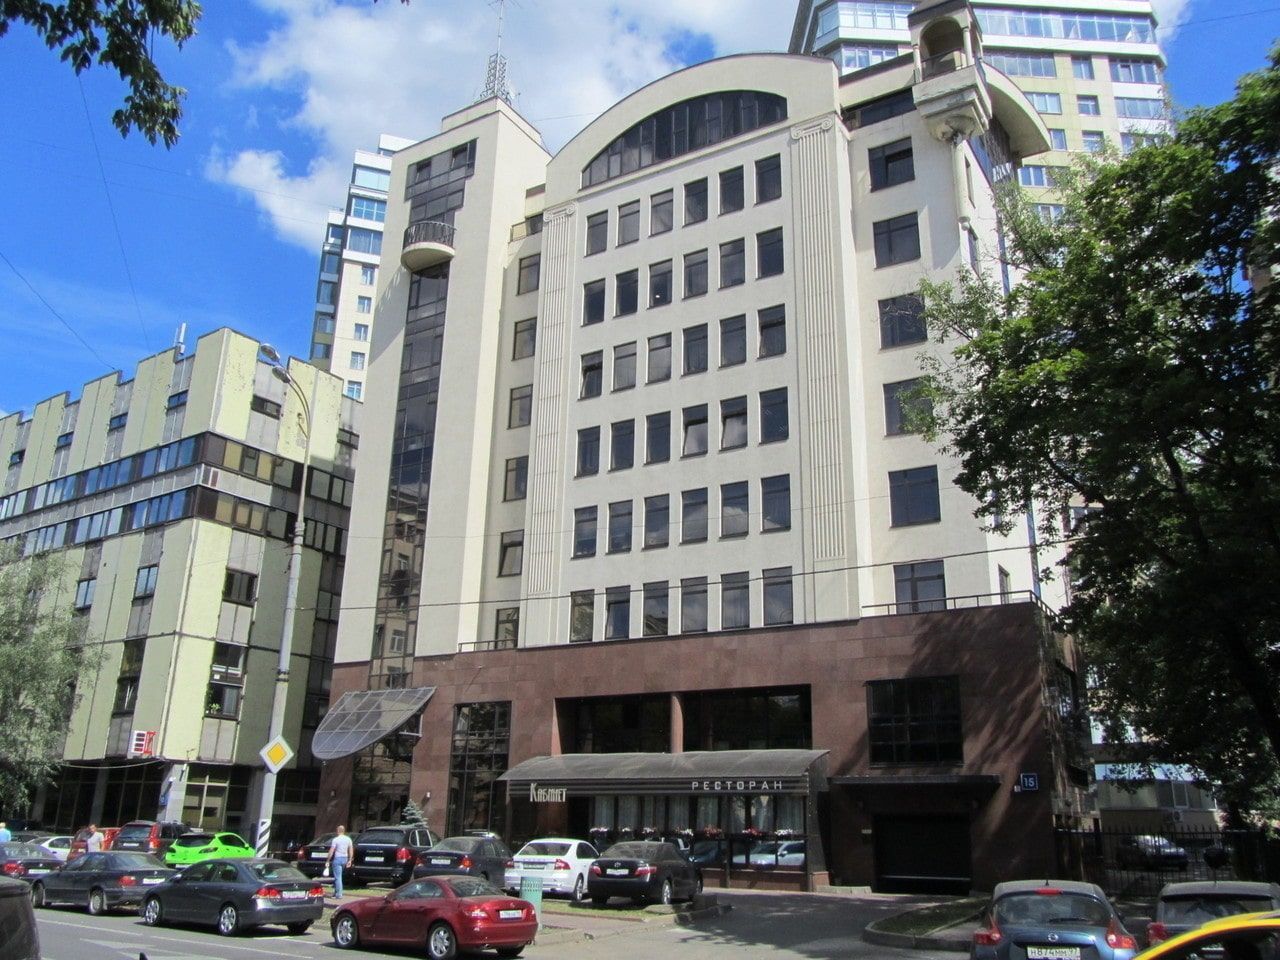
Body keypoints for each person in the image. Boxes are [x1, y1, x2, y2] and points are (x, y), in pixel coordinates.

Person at [327, 825, 353, 899]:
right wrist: (350, 860)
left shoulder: (336, 839)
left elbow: (331, 851)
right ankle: (336, 893)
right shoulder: (348, 839)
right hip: (345, 859)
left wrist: (328, 860)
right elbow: (350, 850)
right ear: (343, 831)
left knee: (338, 877)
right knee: (339, 876)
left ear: (338, 831)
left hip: (337, 859)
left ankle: (339, 894)